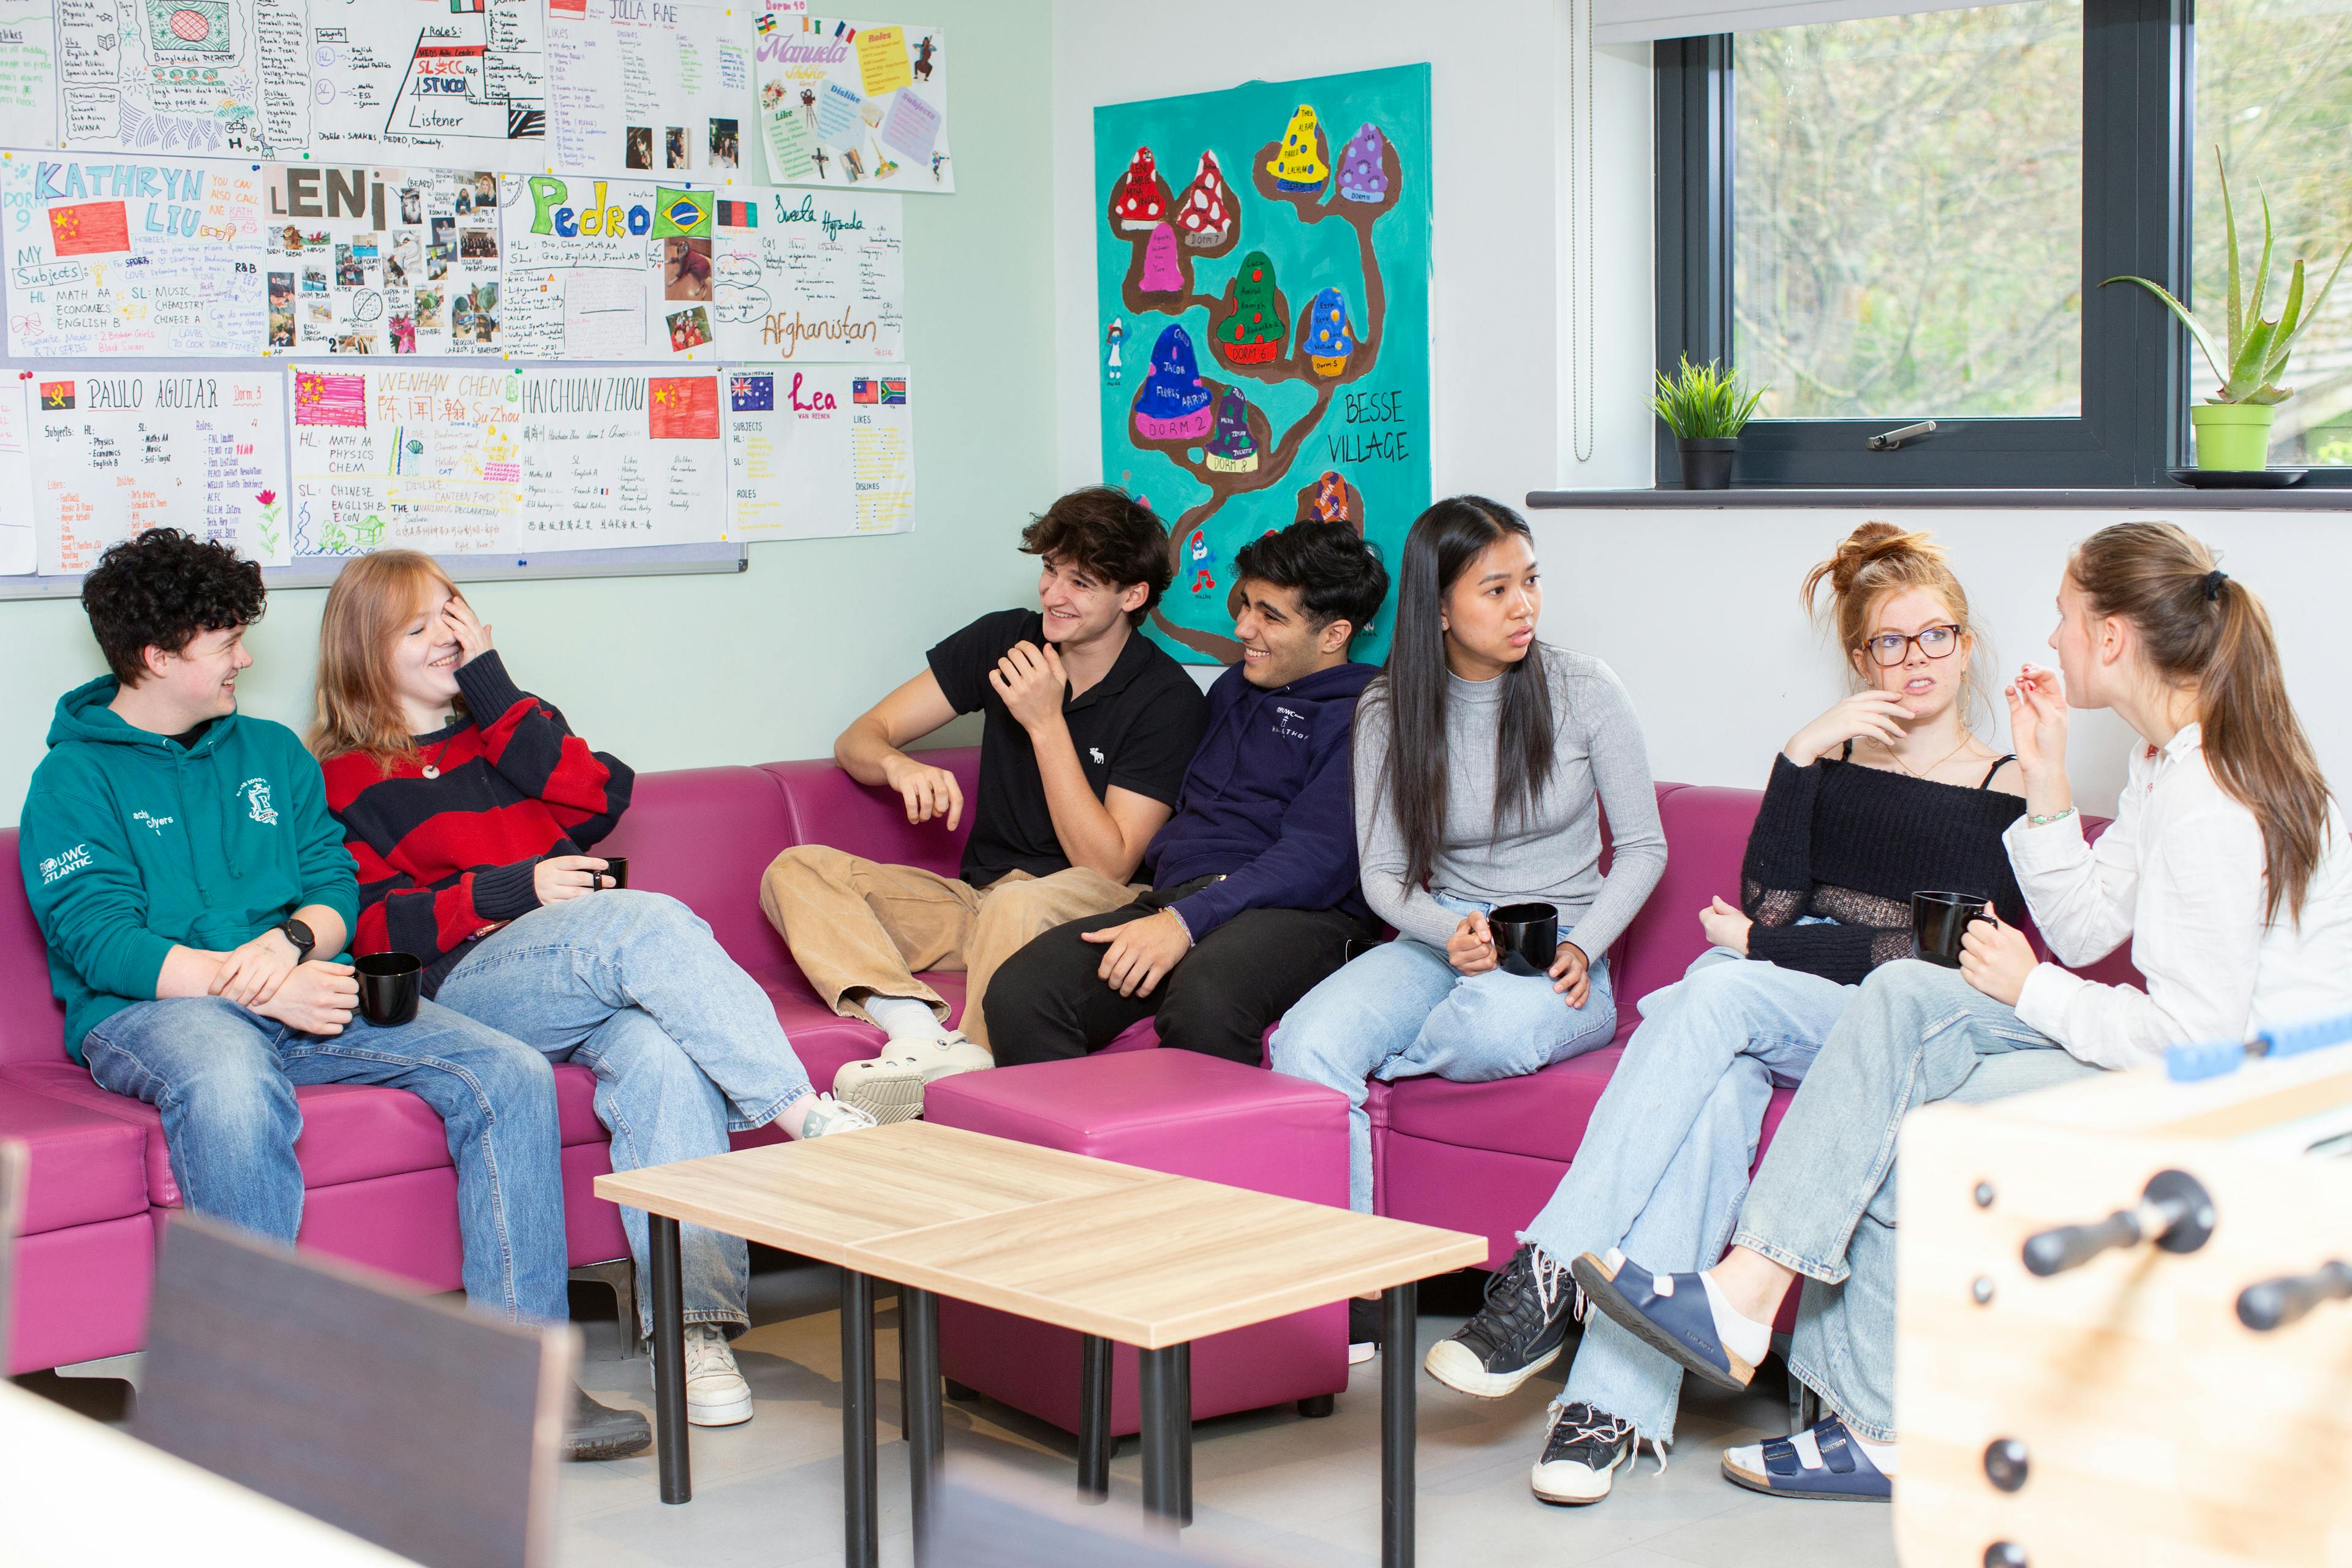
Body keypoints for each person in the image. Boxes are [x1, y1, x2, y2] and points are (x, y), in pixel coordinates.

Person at [1579, 520, 2352, 1501]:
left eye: (2068, 618)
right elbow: (2081, 927)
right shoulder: (2170, 765)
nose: (2056, 637)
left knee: (1907, 1069)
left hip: (2242, 1099)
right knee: (1903, 1006)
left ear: (2112, 638)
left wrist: (2031, 988)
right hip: (2188, 1063)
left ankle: (1801, 1348)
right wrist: (2048, 781)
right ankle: (1793, 1346)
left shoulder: (2210, 800)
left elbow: (2192, 1040)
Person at [1420, 522, 2028, 1506]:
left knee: (1720, 985)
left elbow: (1923, 954)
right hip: (1786, 1011)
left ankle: (1547, 1272)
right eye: (1889, 642)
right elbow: (1774, 905)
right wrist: (1799, 756)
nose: (1915, 661)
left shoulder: (2011, 788)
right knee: (1716, 1083)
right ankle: (1608, 1412)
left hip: (1896, 1030)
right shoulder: (1828, 767)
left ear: (1966, 645)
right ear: (1859, 657)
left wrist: (1767, 950)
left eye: (1937, 636)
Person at [18, 530, 648, 1461]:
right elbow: (99, 939)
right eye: (225, 642)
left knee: (507, 1074)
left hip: (306, 985)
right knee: (231, 1084)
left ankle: (526, 1386)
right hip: (155, 1012)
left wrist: (292, 946)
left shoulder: (270, 752)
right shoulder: (73, 779)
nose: (245, 658)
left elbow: (332, 886)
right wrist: (262, 987)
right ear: (157, 656)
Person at [312, 552, 875, 1432]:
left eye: (454, 616)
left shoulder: (509, 731)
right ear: (362, 649)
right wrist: (511, 893)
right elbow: (370, 926)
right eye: (416, 627)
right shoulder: (342, 776)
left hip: (575, 976)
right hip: (464, 994)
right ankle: (797, 1112)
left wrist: (491, 688)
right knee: (646, 922)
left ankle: (690, 1329)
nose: (444, 639)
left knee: (660, 1054)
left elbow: (600, 795)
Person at [1267, 496, 1668, 1359]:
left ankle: (1384, 1066)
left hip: (1557, 964)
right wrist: (1447, 930)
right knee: (1304, 1042)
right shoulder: (1387, 711)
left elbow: (1642, 848)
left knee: (1491, 1028)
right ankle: (1358, 1286)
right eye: (1496, 589)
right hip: (1439, 944)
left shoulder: (1583, 690)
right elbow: (1383, 875)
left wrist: (1580, 948)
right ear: (1440, 607)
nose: (1523, 605)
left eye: (1530, 582)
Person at [762, 486, 1207, 1121]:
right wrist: (897, 763)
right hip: (981, 902)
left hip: (1085, 906)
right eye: (1051, 569)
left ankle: (966, 1078)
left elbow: (1107, 865)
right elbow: (858, 737)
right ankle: (917, 1033)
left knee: (1020, 900)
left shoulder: (1166, 699)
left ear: (1132, 595)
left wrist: (1045, 723)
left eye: (1080, 581)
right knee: (796, 870)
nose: (1053, 594)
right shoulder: (1006, 640)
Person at [984, 522, 1390, 1068]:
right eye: (1246, 604)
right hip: (1180, 896)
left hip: (1301, 914)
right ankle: (1087, 1150)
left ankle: (1194, 1155)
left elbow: (1318, 860)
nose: (1244, 626)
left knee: (1206, 998)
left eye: (1271, 616)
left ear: (1334, 635)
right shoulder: (1234, 688)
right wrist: (1175, 911)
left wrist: (1187, 922)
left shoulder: (1367, 713)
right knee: (1023, 991)